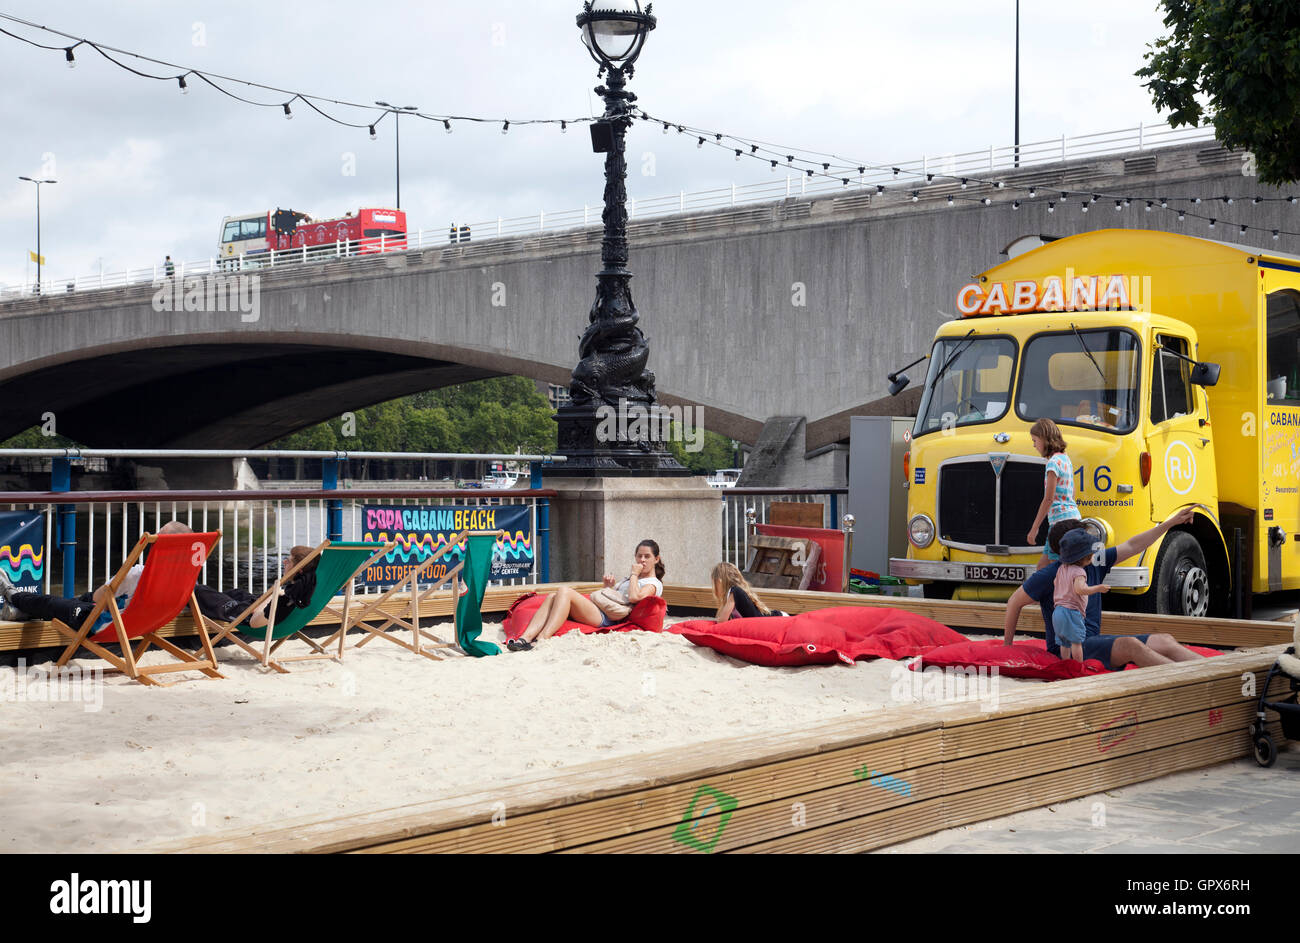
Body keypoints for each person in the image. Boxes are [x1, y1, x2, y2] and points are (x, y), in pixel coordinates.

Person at [1003, 509, 1205, 669]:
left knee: (1165, 640)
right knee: (1130, 645)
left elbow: (1134, 545)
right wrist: (1007, 647)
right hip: (1067, 647)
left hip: (1092, 640)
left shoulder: (1094, 563)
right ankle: (1190, 680)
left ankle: (1214, 670)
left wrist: (1170, 523)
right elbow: (1014, 602)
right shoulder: (1049, 575)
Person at [0, 521, 192, 627]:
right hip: (145, 624)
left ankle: (12, 594)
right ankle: (20, 612)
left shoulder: (139, 573)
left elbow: (99, 598)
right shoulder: (186, 579)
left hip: (105, 623)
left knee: (50, 603)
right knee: (63, 605)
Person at [507, 540, 663, 651]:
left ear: (656, 559)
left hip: (608, 618)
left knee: (565, 591)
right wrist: (608, 587)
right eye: (639, 556)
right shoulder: (634, 578)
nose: (642, 560)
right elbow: (618, 598)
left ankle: (543, 638)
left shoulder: (653, 584)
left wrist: (634, 574)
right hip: (602, 608)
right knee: (552, 597)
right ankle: (525, 638)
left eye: (647, 556)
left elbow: (635, 598)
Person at [192, 544, 318, 629]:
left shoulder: (285, 599)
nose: (284, 561)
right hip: (258, 605)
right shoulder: (304, 592)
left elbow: (254, 622)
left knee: (200, 591)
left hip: (246, 615)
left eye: (289, 561)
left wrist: (272, 596)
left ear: (300, 570)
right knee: (237, 593)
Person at [1026, 418, 1080, 569]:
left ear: (1044, 439)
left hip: (1059, 524)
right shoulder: (1065, 459)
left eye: (1035, 441)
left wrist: (1034, 528)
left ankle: (1062, 593)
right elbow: (1073, 491)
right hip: (1072, 518)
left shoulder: (1052, 464)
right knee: (1042, 568)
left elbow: (1048, 499)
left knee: (1058, 569)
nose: (1034, 445)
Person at [1051, 528, 1111, 661]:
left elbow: (1056, 582)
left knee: (1064, 643)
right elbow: (1080, 589)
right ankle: (1078, 666)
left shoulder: (1062, 569)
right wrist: (1098, 588)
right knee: (1076, 643)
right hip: (1071, 612)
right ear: (1086, 558)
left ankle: (1065, 664)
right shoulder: (1079, 572)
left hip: (1058, 611)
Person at [710, 562, 780, 621]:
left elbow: (721, 620)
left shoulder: (735, 591)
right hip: (773, 619)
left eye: (714, 583)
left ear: (719, 581)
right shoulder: (733, 594)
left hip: (777, 619)